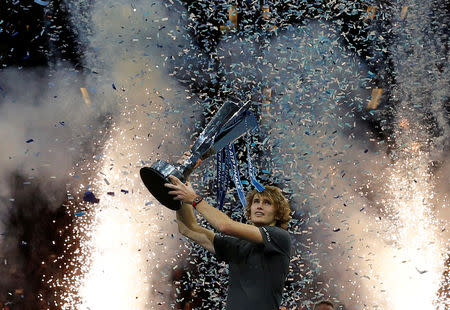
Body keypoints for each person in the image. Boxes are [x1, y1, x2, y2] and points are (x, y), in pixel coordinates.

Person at [164, 174, 291, 310]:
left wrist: (194, 199)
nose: (259, 206)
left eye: (267, 203)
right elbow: (188, 228)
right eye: (256, 201)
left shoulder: (279, 237)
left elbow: (225, 226)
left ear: (278, 213)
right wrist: (181, 188)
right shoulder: (237, 245)